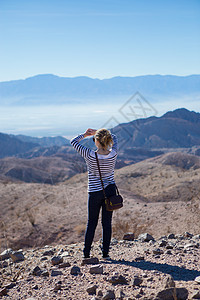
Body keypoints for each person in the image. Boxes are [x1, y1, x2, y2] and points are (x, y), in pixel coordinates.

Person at [70, 128, 118, 259]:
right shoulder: (113, 153)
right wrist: (101, 132)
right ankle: (105, 253)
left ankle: (86, 253)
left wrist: (86, 134)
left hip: (95, 192)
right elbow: (116, 138)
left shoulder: (89, 154)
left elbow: (73, 142)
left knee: (91, 223)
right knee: (106, 222)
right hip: (110, 191)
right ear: (108, 140)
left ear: (96, 141)